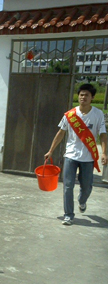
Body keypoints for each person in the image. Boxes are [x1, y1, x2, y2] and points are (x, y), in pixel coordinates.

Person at [45, 83, 107, 225]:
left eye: (86, 95)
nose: (83, 97)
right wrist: (50, 151)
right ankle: (69, 214)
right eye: (81, 94)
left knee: (87, 187)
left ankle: (82, 200)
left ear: (92, 97)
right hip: (71, 156)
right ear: (78, 96)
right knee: (68, 186)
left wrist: (104, 153)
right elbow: (61, 133)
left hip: (88, 157)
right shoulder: (70, 115)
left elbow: (103, 134)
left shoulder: (97, 114)